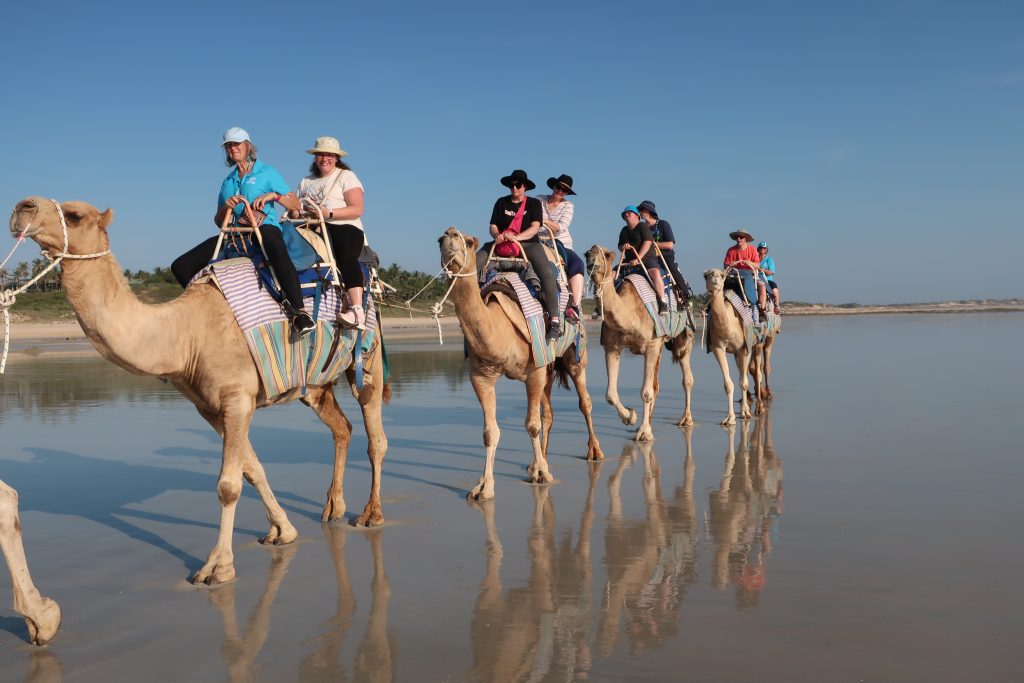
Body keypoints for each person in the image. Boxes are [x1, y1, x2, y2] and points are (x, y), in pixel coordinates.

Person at [171, 127, 316, 335]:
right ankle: (202, 312)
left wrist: (274, 196)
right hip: (234, 234)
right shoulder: (228, 181)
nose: (233, 148)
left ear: (248, 146)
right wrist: (226, 207)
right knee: (181, 266)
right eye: (229, 145)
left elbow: (294, 205)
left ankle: (300, 313)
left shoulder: (267, 172)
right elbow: (218, 221)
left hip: (264, 228)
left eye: (237, 144)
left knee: (275, 246)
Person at [284, 136, 368, 330]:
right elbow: (296, 210)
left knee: (346, 256)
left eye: (329, 155)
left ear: (336, 158)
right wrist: (289, 205)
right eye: (320, 154)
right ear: (315, 157)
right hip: (311, 228)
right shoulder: (306, 181)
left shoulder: (346, 176)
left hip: (343, 226)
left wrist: (328, 213)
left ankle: (356, 310)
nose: (325, 159)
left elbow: (357, 208)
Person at [476, 169, 562, 341]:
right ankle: (469, 306)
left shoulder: (533, 204)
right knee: (475, 262)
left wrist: (517, 238)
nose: (514, 188)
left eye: (518, 185)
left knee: (546, 272)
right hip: (502, 242)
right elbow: (493, 225)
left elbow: (535, 227)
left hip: (528, 242)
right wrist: (497, 235)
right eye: (511, 185)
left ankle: (554, 321)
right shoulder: (501, 202)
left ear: (525, 187)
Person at [538, 173, 584, 323]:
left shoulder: (568, 205)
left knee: (578, 264)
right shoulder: (539, 200)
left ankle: (575, 306)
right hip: (536, 240)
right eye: (559, 187)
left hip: (559, 242)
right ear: (553, 186)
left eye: (564, 190)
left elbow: (561, 228)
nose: (560, 191)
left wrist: (542, 220)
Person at [617, 205, 668, 312]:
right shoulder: (624, 230)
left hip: (646, 259)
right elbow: (620, 247)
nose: (626, 214)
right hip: (629, 261)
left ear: (637, 216)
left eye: (629, 212)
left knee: (655, 273)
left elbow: (648, 242)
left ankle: (663, 302)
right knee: (611, 274)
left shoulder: (642, 226)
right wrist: (623, 247)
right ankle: (606, 303)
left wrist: (638, 258)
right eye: (625, 213)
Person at [637, 200, 690, 301]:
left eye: (641, 210)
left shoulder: (663, 224)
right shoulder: (642, 228)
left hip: (664, 256)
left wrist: (651, 244)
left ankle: (685, 295)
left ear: (648, 211)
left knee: (672, 269)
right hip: (647, 258)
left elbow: (670, 245)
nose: (640, 212)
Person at [723, 229, 766, 313]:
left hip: (749, 274)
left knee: (762, 286)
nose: (738, 239)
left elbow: (757, 265)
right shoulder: (731, 250)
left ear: (745, 238)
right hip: (734, 275)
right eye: (737, 237)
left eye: (741, 237)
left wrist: (750, 263)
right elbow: (725, 265)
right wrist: (730, 264)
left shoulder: (752, 249)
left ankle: (760, 308)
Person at [757, 241, 781, 314]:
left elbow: (771, 272)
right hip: (755, 279)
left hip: (767, 280)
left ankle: (776, 305)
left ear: (766, 250)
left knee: (774, 290)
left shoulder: (769, 259)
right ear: (758, 249)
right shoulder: (755, 259)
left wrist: (762, 270)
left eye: (764, 248)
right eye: (761, 248)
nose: (762, 249)